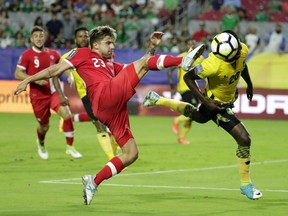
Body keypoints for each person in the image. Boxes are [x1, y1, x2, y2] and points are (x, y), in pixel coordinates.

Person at [14, 25, 206, 205]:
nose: (112, 46)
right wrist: (28, 79)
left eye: (113, 43)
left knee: (131, 154)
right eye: (108, 42)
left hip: (113, 109)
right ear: (95, 44)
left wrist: (152, 47)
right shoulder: (82, 53)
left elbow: (139, 67)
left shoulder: (110, 64)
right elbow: (54, 70)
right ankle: (184, 61)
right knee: (144, 64)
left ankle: (93, 182)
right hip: (103, 96)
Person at [143, 30, 263, 200]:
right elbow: (189, 78)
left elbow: (242, 65)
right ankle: (246, 184)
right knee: (244, 139)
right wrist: (205, 100)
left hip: (226, 100)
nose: (235, 58)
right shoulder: (212, 64)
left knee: (198, 118)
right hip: (217, 105)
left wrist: (249, 84)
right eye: (230, 58)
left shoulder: (241, 49)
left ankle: (159, 100)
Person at [14, 25, 82, 160]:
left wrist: (69, 75)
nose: (39, 39)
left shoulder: (54, 54)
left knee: (66, 113)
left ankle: (70, 147)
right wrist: (34, 80)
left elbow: (62, 67)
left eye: (41, 36)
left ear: (44, 37)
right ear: (31, 39)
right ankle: (41, 143)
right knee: (44, 126)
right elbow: (17, 73)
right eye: (36, 36)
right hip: (37, 96)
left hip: (52, 92)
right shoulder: (27, 55)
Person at [54, 27, 118, 160]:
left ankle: (71, 119)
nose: (83, 38)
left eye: (86, 36)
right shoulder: (68, 56)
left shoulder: (97, 51)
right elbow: (56, 74)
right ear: (75, 39)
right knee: (99, 124)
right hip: (87, 94)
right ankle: (112, 158)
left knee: (114, 123)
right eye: (80, 36)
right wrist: (61, 92)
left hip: (106, 90)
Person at [167, 39, 204, 145]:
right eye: (189, 44)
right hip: (185, 88)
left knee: (192, 116)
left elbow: (203, 73)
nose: (192, 46)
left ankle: (182, 137)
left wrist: (206, 85)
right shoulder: (181, 57)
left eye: (194, 44)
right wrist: (172, 86)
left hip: (195, 88)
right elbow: (170, 71)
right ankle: (177, 120)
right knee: (194, 111)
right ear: (186, 45)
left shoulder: (200, 58)